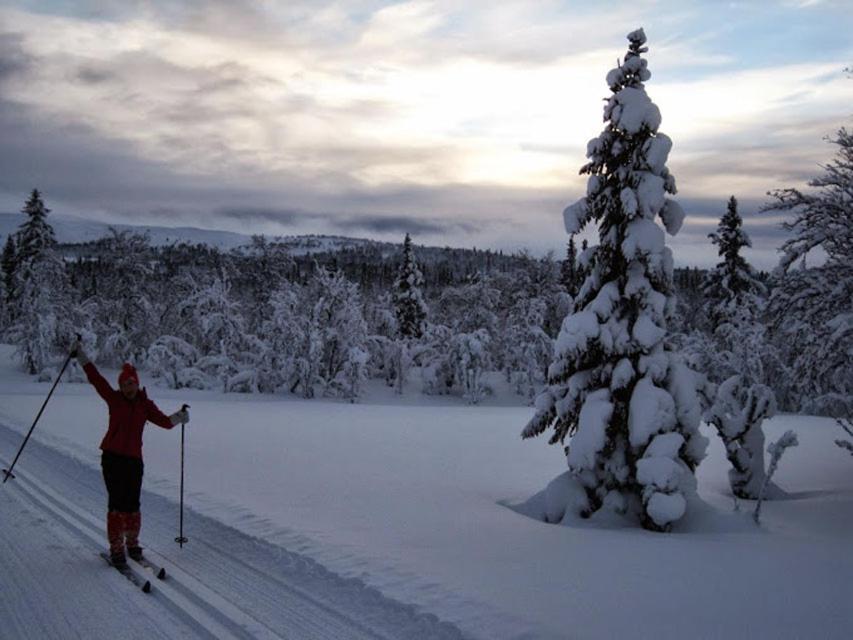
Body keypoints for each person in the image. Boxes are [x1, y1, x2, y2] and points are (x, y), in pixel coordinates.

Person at [72, 340, 189, 566]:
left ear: (137, 384)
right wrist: (81, 356)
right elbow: (96, 380)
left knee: (133, 504)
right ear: (121, 386)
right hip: (112, 458)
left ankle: (132, 545)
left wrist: (179, 417)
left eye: (131, 384)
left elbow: (164, 422)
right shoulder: (114, 399)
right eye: (125, 385)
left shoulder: (145, 405)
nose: (128, 388)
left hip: (134, 461)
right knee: (117, 503)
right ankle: (117, 547)